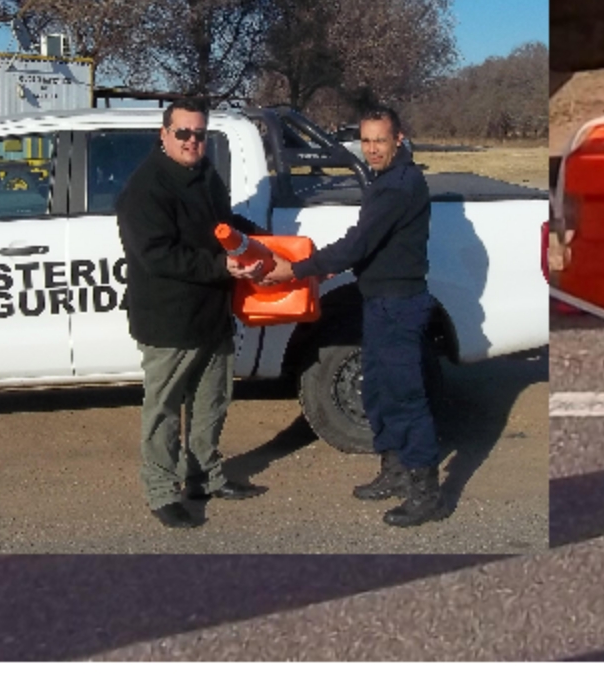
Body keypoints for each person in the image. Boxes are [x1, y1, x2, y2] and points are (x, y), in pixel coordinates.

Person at [264, 103, 445, 527]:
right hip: (380, 303)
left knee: (405, 396)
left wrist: (295, 268)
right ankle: (395, 471)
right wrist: (327, 262)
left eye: (380, 140)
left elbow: (359, 244)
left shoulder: (399, 185)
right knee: (380, 392)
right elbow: (363, 240)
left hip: (399, 306)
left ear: (398, 139)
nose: (372, 148)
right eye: (365, 141)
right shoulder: (384, 181)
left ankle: (427, 492)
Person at [115, 96, 268, 529]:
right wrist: (222, 266)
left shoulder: (205, 175)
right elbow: (156, 255)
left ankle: (203, 476)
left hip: (212, 310)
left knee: (211, 402)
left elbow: (222, 224)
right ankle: (162, 491)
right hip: (168, 317)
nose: (191, 141)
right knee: (164, 411)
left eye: (199, 134)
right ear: (164, 134)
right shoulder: (145, 188)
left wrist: (258, 240)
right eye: (182, 133)